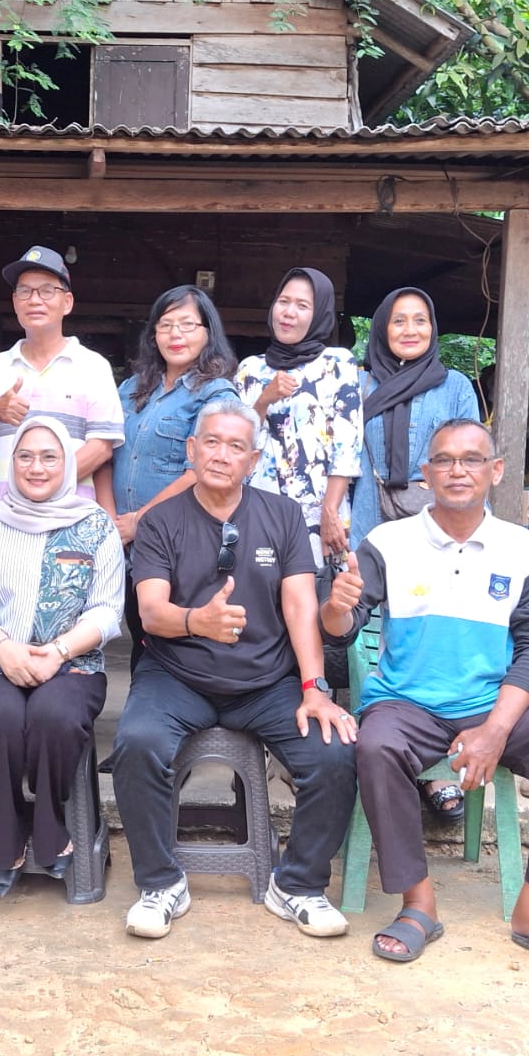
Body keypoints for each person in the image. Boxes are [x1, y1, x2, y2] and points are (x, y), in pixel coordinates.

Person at [323, 418, 529, 974]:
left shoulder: (522, 549)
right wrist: (336, 607)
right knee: (376, 747)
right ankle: (418, 903)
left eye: (472, 459)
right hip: (408, 700)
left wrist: (495, 730)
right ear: (426, 474)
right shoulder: (387, 542)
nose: (458, 470)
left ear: (495, 471)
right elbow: (342, 630)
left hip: (493, 701)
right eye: (444, 460)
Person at [110, 398, 359, 940]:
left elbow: (300, 605)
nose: (221, 455)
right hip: (177, 674)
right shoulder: (161, 521)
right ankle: (161, 883)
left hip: (266, 681)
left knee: (333, 751)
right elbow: (151, 613)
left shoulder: (282, 515)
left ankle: (297, 884)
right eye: (212, 443)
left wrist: (314, 687)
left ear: (254, 459)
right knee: (137, 742)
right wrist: (197, 621)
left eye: (235, 446)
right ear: (191, 449)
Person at [0, 416, 125, 894]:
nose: (36, 467)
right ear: (11, 463)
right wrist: (3, 648)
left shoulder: (95, 525)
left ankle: (49, 818)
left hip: (73, 664)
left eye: (49, 457)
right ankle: (7, 822)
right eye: (25, 456)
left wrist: (58, 652)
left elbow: (107, 610)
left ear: (67, 464)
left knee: (54, 716)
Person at [349, 285, 481, 824]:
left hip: (436, 525)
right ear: (382, 328)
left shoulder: (455, 386)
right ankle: (382, 751)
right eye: (399, 320)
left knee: (432, 637)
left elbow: (470, 455)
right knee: (368, 635)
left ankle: (436, 769)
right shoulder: (357, 383)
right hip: (368, 514)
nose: (410, 329)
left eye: (420, 320)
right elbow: (343, 454)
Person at [110, 284, 239, 667]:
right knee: (141, 638)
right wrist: (113, 523)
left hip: (179, 541)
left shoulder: (216, 394)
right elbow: (106, 452)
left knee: (179, 645)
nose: (175, 334)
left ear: (207, 333)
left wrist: (140, 520)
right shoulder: (131, 389)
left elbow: (203, 469)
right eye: (165, 325)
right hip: (126, 542)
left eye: (187, 324)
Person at [0, 244, 124, 507]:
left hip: (69, 516)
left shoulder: (93, 366)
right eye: (24, 291)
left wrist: (36, 491)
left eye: (47, 291)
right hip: (4, 517)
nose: (34, 300)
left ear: (67, 303)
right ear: (15, 302)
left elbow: (101, 448)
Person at [236, 266, 362, 567]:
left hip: (320, 510)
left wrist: (330, 512)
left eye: (302, 305)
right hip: (257, 507)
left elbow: (347, 445)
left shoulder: (337, 363)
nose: (289, 312)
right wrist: (264, 399)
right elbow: (237, 441)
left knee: (319, 591)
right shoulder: (250, 369)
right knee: (257, 589)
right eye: (283, 301)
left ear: (319, 315)